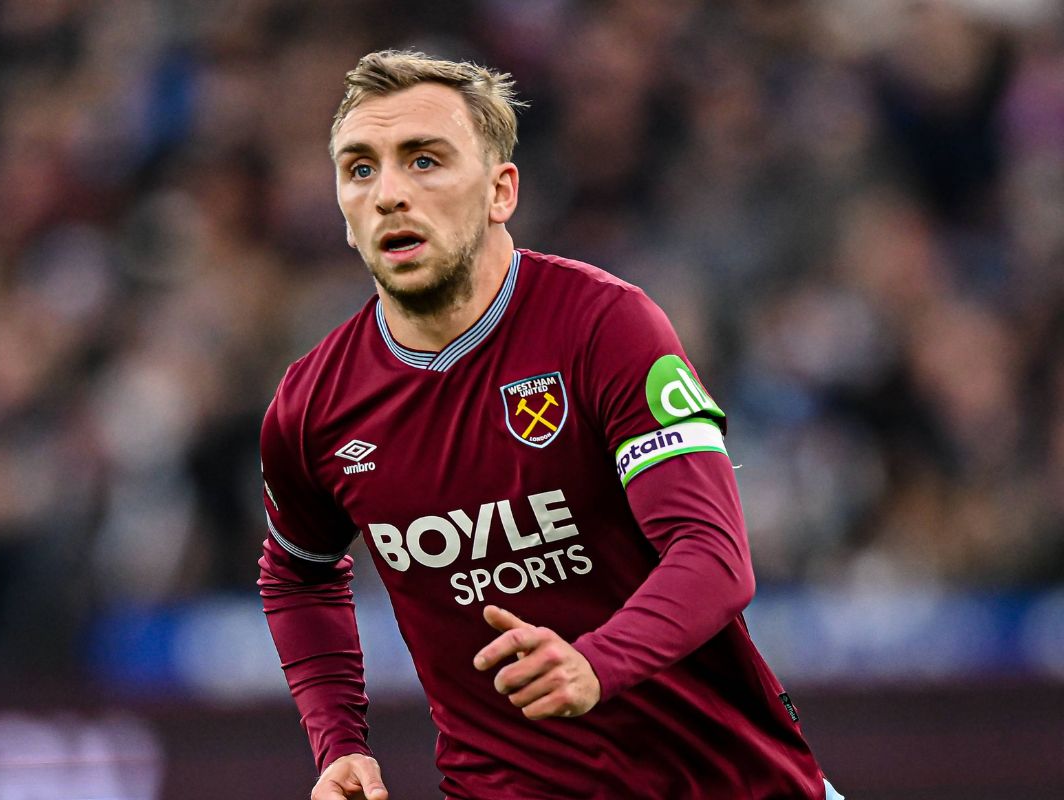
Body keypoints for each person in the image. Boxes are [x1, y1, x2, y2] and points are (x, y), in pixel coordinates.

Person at [258, 49, 844, 800]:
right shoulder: (313, 405)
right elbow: (297, 573)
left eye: (424, 160)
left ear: (501, 191)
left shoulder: (604, 327)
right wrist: (339, 742)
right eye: (360, 169)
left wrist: (598, 662)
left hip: (725, 784)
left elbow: (712, 555)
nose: (390, 194)